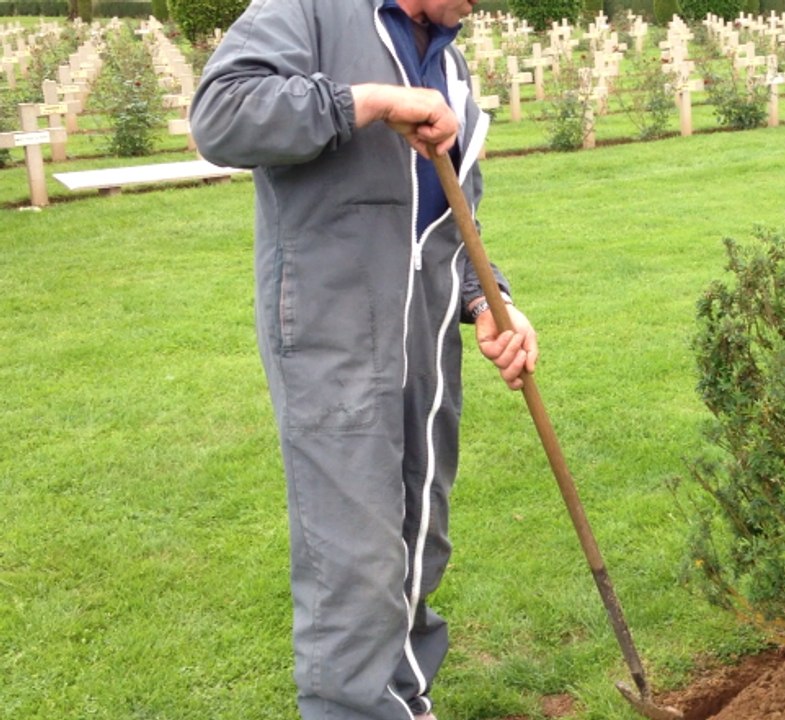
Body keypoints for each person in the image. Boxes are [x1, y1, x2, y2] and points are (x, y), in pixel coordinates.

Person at [189, 0, 538, 716]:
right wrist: (372, 101)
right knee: (356, 567)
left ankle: (405, 700)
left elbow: (455, 216)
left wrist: (490, 302)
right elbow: (220, 114)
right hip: (335, 336)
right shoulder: (310, 11)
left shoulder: (451, 63)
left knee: (418, 548)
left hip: (428, 347)